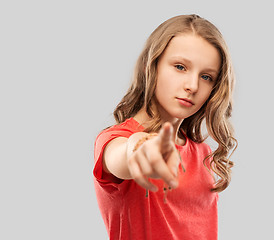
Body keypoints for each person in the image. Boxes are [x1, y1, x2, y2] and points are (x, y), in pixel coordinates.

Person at [93, 14, 237, 240]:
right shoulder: (117, 138)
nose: (192, 86)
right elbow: (120, 157)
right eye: (180, 67)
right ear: (151, 66)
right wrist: (137, 150)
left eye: (206, 77)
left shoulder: (204, 154)